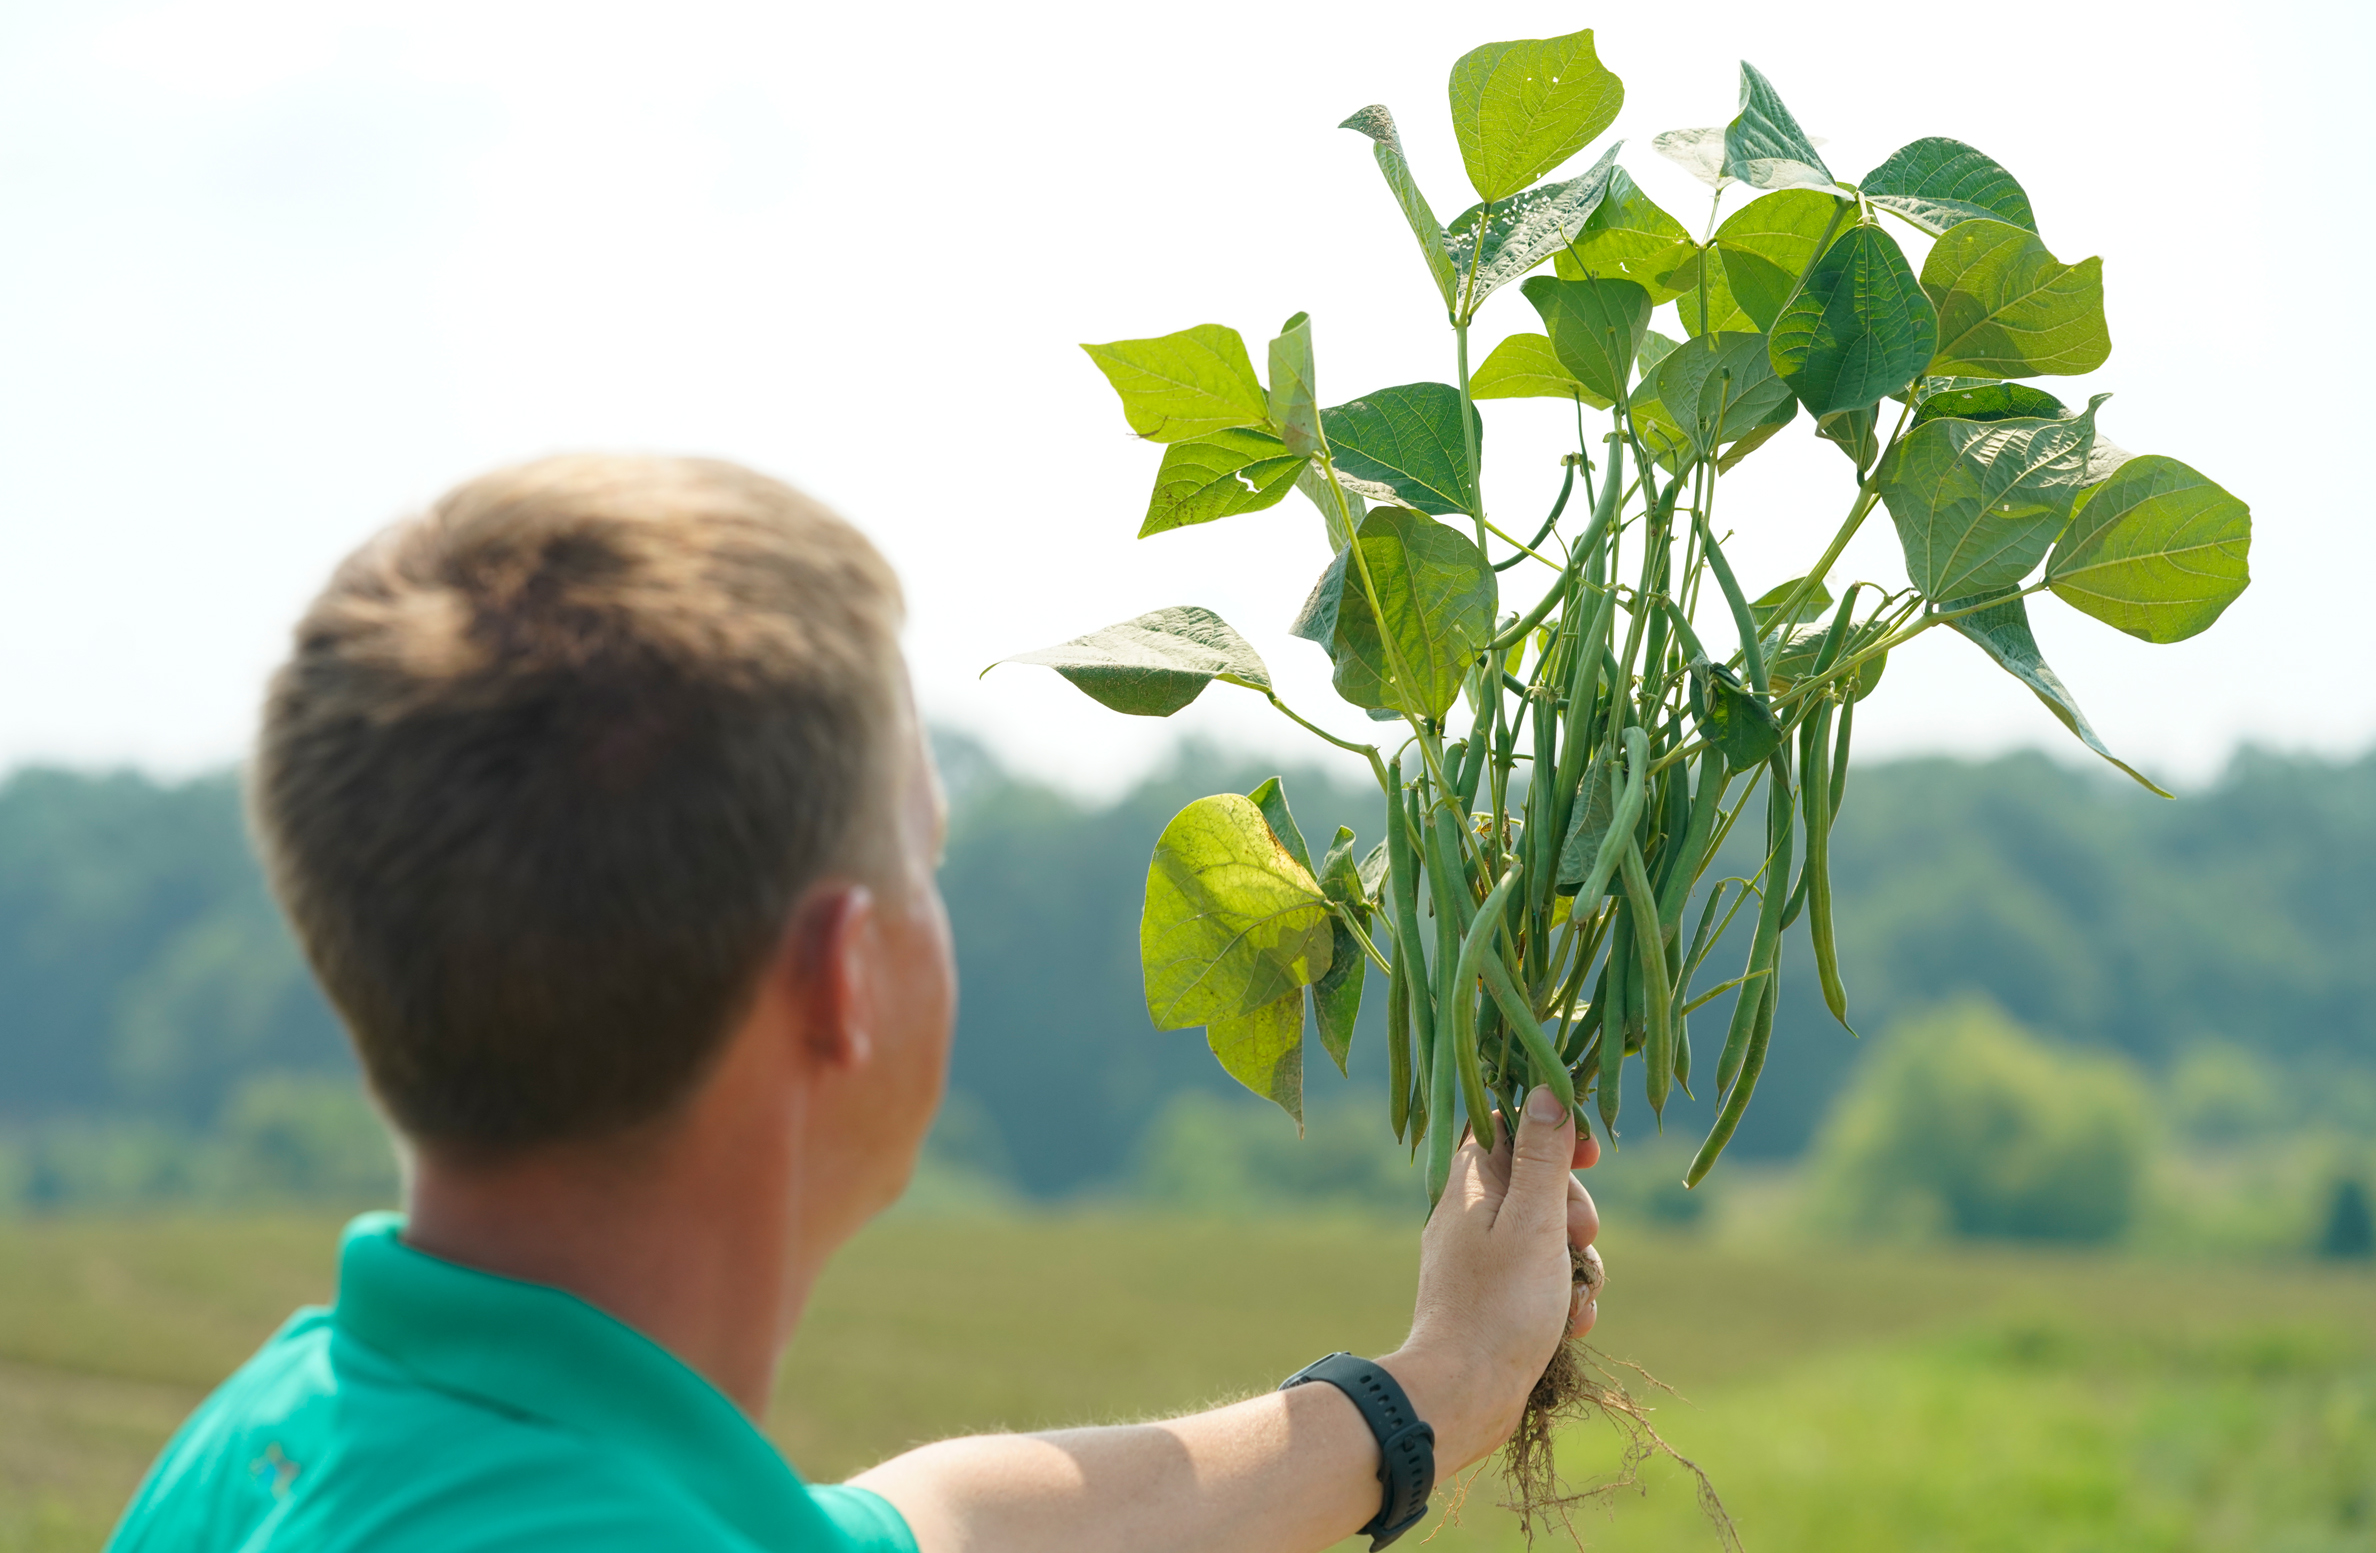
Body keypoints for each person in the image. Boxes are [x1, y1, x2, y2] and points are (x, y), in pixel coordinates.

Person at [107, 455, 1604, 1553]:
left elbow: (940, 1528)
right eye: (928, 858)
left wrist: (1435, 1389)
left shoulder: (268, 1438)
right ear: (839, 982)